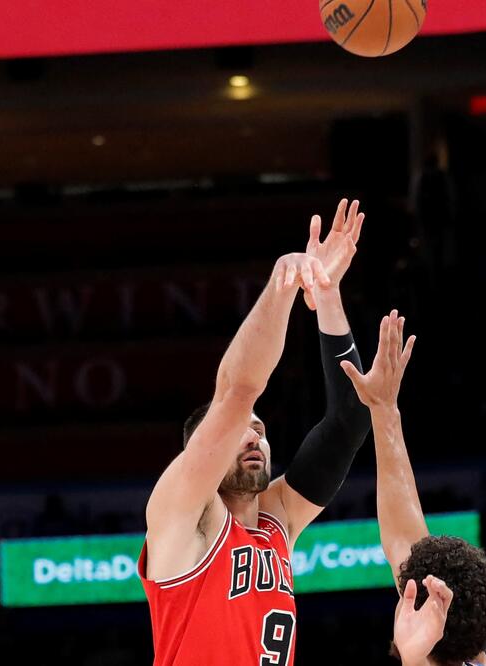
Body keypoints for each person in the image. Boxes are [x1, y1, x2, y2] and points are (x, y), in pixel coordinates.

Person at [139, 199, 371, 666]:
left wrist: (326, 295)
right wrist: (284, 282)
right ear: (201, 449)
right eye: (238, 433)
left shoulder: (277, 519)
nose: (253, 437)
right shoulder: (184, 514)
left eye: (260, 430)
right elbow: (237, 391)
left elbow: (348, 421)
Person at [342, 311, 486, 666]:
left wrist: (416, 656)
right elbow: (405, 537)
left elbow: (405, 543)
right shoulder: (476, 659)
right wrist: (385, 410)